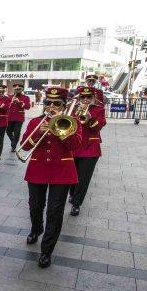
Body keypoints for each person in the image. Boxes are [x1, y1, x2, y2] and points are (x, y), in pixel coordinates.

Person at [20, 87, 82, 268]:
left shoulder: (72, 121)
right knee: (35, 206)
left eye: (56, 104)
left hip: (62, 171)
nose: (51, 106)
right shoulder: (35, 122)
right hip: (38, 169)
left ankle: (47, 250)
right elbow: (24, 146)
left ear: (64, 105)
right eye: (48, 103)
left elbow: (76, 145)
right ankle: (36, 228)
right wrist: (39, 132)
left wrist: (58, 130)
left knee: (54, 212)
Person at [68, 86, 106, 216]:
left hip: (90, 147)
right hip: (73, 146)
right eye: (82, 97)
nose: (85, 99)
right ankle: (72, 193)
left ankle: (76, 204)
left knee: (83, 178)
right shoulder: (71, 108)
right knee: (73, 176)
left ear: (93, 97)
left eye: (88, 97)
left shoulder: (99, 109)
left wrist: (90, 118)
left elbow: (99, 126)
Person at [6, 84, 32, 152]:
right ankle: (13, 140)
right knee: (8, 131)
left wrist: (19, 102)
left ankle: (13, 146)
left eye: (19, 89)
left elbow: (28, 107)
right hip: (10, 117)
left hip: (19, 118)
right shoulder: (10, 96)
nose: (17, 91)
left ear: (22, 90)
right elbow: (6, 106)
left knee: (17, 133)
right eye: (15, 89)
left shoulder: (25, 97)